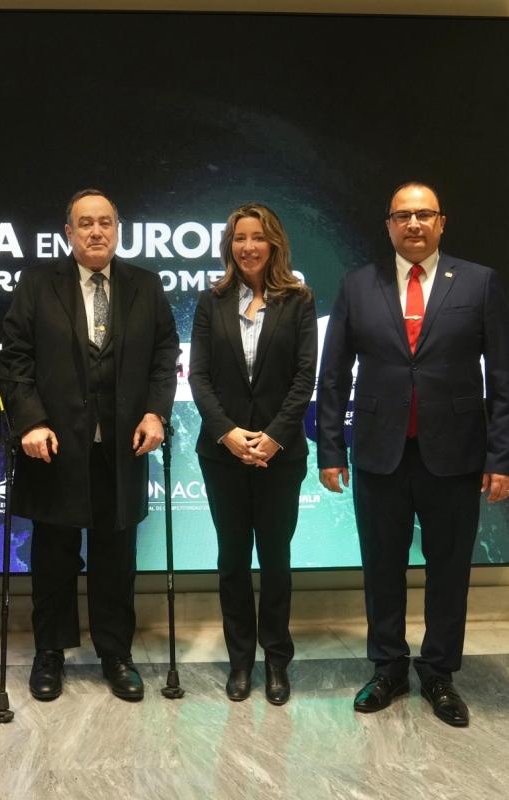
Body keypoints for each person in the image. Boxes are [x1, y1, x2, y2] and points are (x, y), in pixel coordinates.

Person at [316, 182, 509, 727]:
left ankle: (438, 673)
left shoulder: (478, 283)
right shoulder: (359, 284)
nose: (413, 225)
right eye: (402, 216)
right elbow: (333, 374)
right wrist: (330, 449)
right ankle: (387, 668)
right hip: (380, 455)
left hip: (455, 457)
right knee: (381, 568)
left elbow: (504, 377)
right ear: (387, 225)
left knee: (449, 570)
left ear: (441, 223)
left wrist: (503, 459)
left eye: (423, 215)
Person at [0, 188, 180, 702]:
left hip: (122, 447)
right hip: (52, 446)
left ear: (117, 230)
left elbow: (165, 354)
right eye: (85, 223)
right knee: (53, 553)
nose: (96, 231)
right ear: (68, 233)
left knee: (115, 555)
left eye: (105, 223)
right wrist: (29, 421)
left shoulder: (145, 285)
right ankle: (50, 653)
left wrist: (155, 412)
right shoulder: (38, 284)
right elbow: (15, 361)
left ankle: (115, 653)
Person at [188, 203, 317, 705]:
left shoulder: (299, 301)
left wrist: (273, 436)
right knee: (233, 562)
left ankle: (277, 662)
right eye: (240, 238)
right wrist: (228, 433)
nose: (248, 246)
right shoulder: (211, 301)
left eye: (258, 237)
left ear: (274, 244)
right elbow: (198, 376)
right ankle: (240, 661)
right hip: (223, 455)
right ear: (229, 246)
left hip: (280, 456)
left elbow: (304, 376)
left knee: (277, 562)